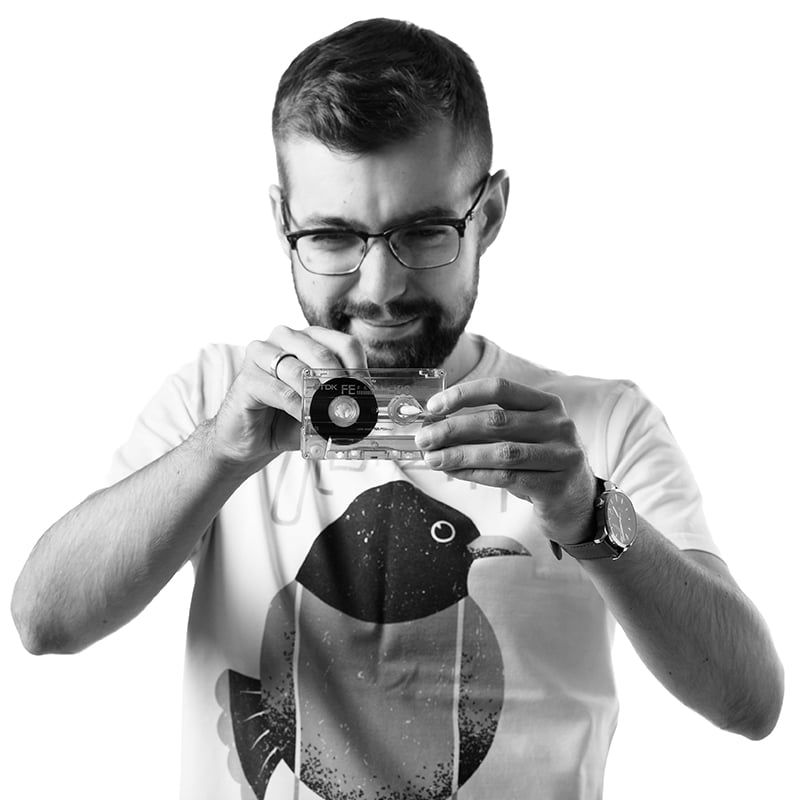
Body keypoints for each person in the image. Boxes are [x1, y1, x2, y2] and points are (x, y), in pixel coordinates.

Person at [11, 17, 783, 800]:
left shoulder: (602, 424)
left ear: (489, 214)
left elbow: (749, 702)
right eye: (332, 237)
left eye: (423, 232)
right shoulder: (216, 397)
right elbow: (45, 621)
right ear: (283, 223)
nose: (379, 289)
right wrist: (219, 452)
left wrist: (587, 511)